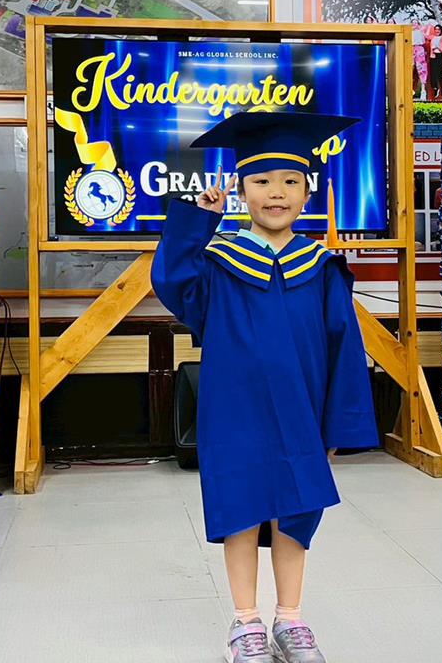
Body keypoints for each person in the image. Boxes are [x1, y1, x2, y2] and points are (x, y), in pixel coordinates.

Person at [151, 111, 381, 663]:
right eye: (261, 180)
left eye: (289, 181)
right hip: (235, 412)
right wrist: (197, 223)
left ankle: (290, 619)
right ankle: (246, 622)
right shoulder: (219, 264)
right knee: (241, 508)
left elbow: (343, 349)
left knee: (296, 514)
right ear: (241, 190)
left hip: (303, 409)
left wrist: (338, 424)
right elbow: (173, 283)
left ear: (307, 191)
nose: (276, 192)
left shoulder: (322, 268)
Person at [411, 17, 429, 101]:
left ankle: (423, 90)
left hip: (419, 49)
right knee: (411, 69)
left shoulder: (421, 32)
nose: (414, 24)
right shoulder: (409, 32)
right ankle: (411, 90)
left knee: (422, 69)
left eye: (416, 23)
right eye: (413, 23)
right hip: (411, 49)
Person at [428, 23, 442, 101]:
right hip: (433, 56)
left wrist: (438, 48)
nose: (437, 31)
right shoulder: (432, 37)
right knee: (433, 74)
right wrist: (429, 26)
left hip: (439, 56)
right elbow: (426, 35)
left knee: (439, 74)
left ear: (441, 30)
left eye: (438, 29)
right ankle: (435, 88)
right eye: (435, 29)